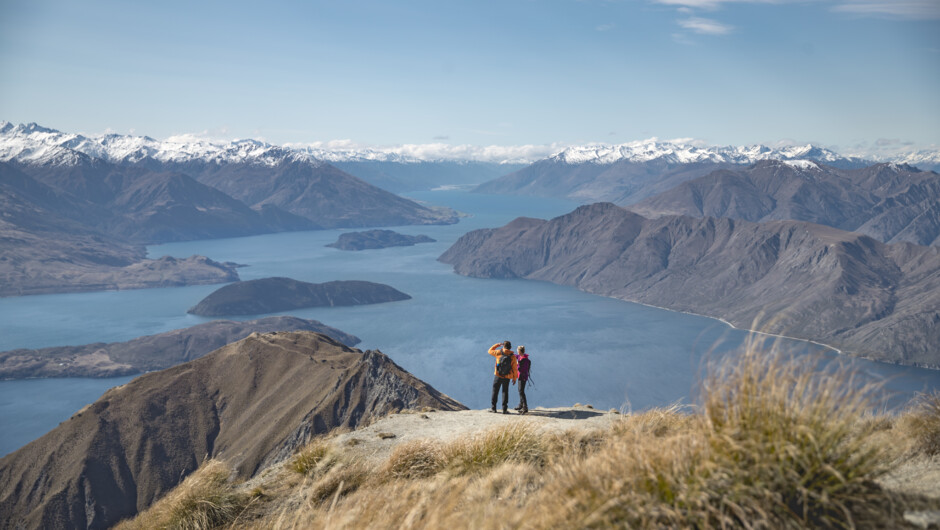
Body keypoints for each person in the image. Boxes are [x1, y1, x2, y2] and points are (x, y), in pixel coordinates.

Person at [488, 340, 518, 414]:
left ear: (503, 346)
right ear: (510, 347)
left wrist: (497, 345)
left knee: (495, 391)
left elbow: (490, 351)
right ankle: (504, 409)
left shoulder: (498, 352)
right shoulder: (512, 356)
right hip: (507, 377)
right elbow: (514, 368)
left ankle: (493, 408)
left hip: (498, 375)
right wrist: (514, 378)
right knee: (505, 392)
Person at [514, 345, 530, 414]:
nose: (517, 351)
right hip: (522, 376)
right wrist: (510, 353)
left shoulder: (524, 360)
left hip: (522, 377)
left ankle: (525, 407)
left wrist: (517, 364)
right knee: (520, 390)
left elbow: (520, 369)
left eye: (517, 350)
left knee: (521, 391)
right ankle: (521, 405)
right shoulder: (521, 357)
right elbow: (516, 356)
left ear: (520, 351)